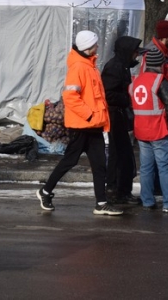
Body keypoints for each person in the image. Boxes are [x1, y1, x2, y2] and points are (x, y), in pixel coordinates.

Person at [37, 31, 123, 216]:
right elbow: (70, 96)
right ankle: (45, 191)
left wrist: (97, 119)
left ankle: (101, 203)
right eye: (95, 44)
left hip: (93, 125)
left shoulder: (89, 65)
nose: (98, 47)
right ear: (87, 48)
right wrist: (90, 115)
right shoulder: (79, 67)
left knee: (100, 164)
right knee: (70, 161)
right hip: (82, 125)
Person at [131, 48, 168, 211]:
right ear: (160, 63)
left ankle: (147, 200)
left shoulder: (135, 81)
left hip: (141, 131)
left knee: (146, 168)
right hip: (158, 130)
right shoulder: (160, 81)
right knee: (165, 167)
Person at [101, 35, 144, 205]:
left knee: (123, 154)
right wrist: (127, 98)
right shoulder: (114, 67)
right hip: (114, 115)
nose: (136, 55)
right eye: (134, 52)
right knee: (119, 154)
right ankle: (116, 190)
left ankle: (121, 189)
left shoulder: (122, 66)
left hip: (119, 115)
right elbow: (108, 93)